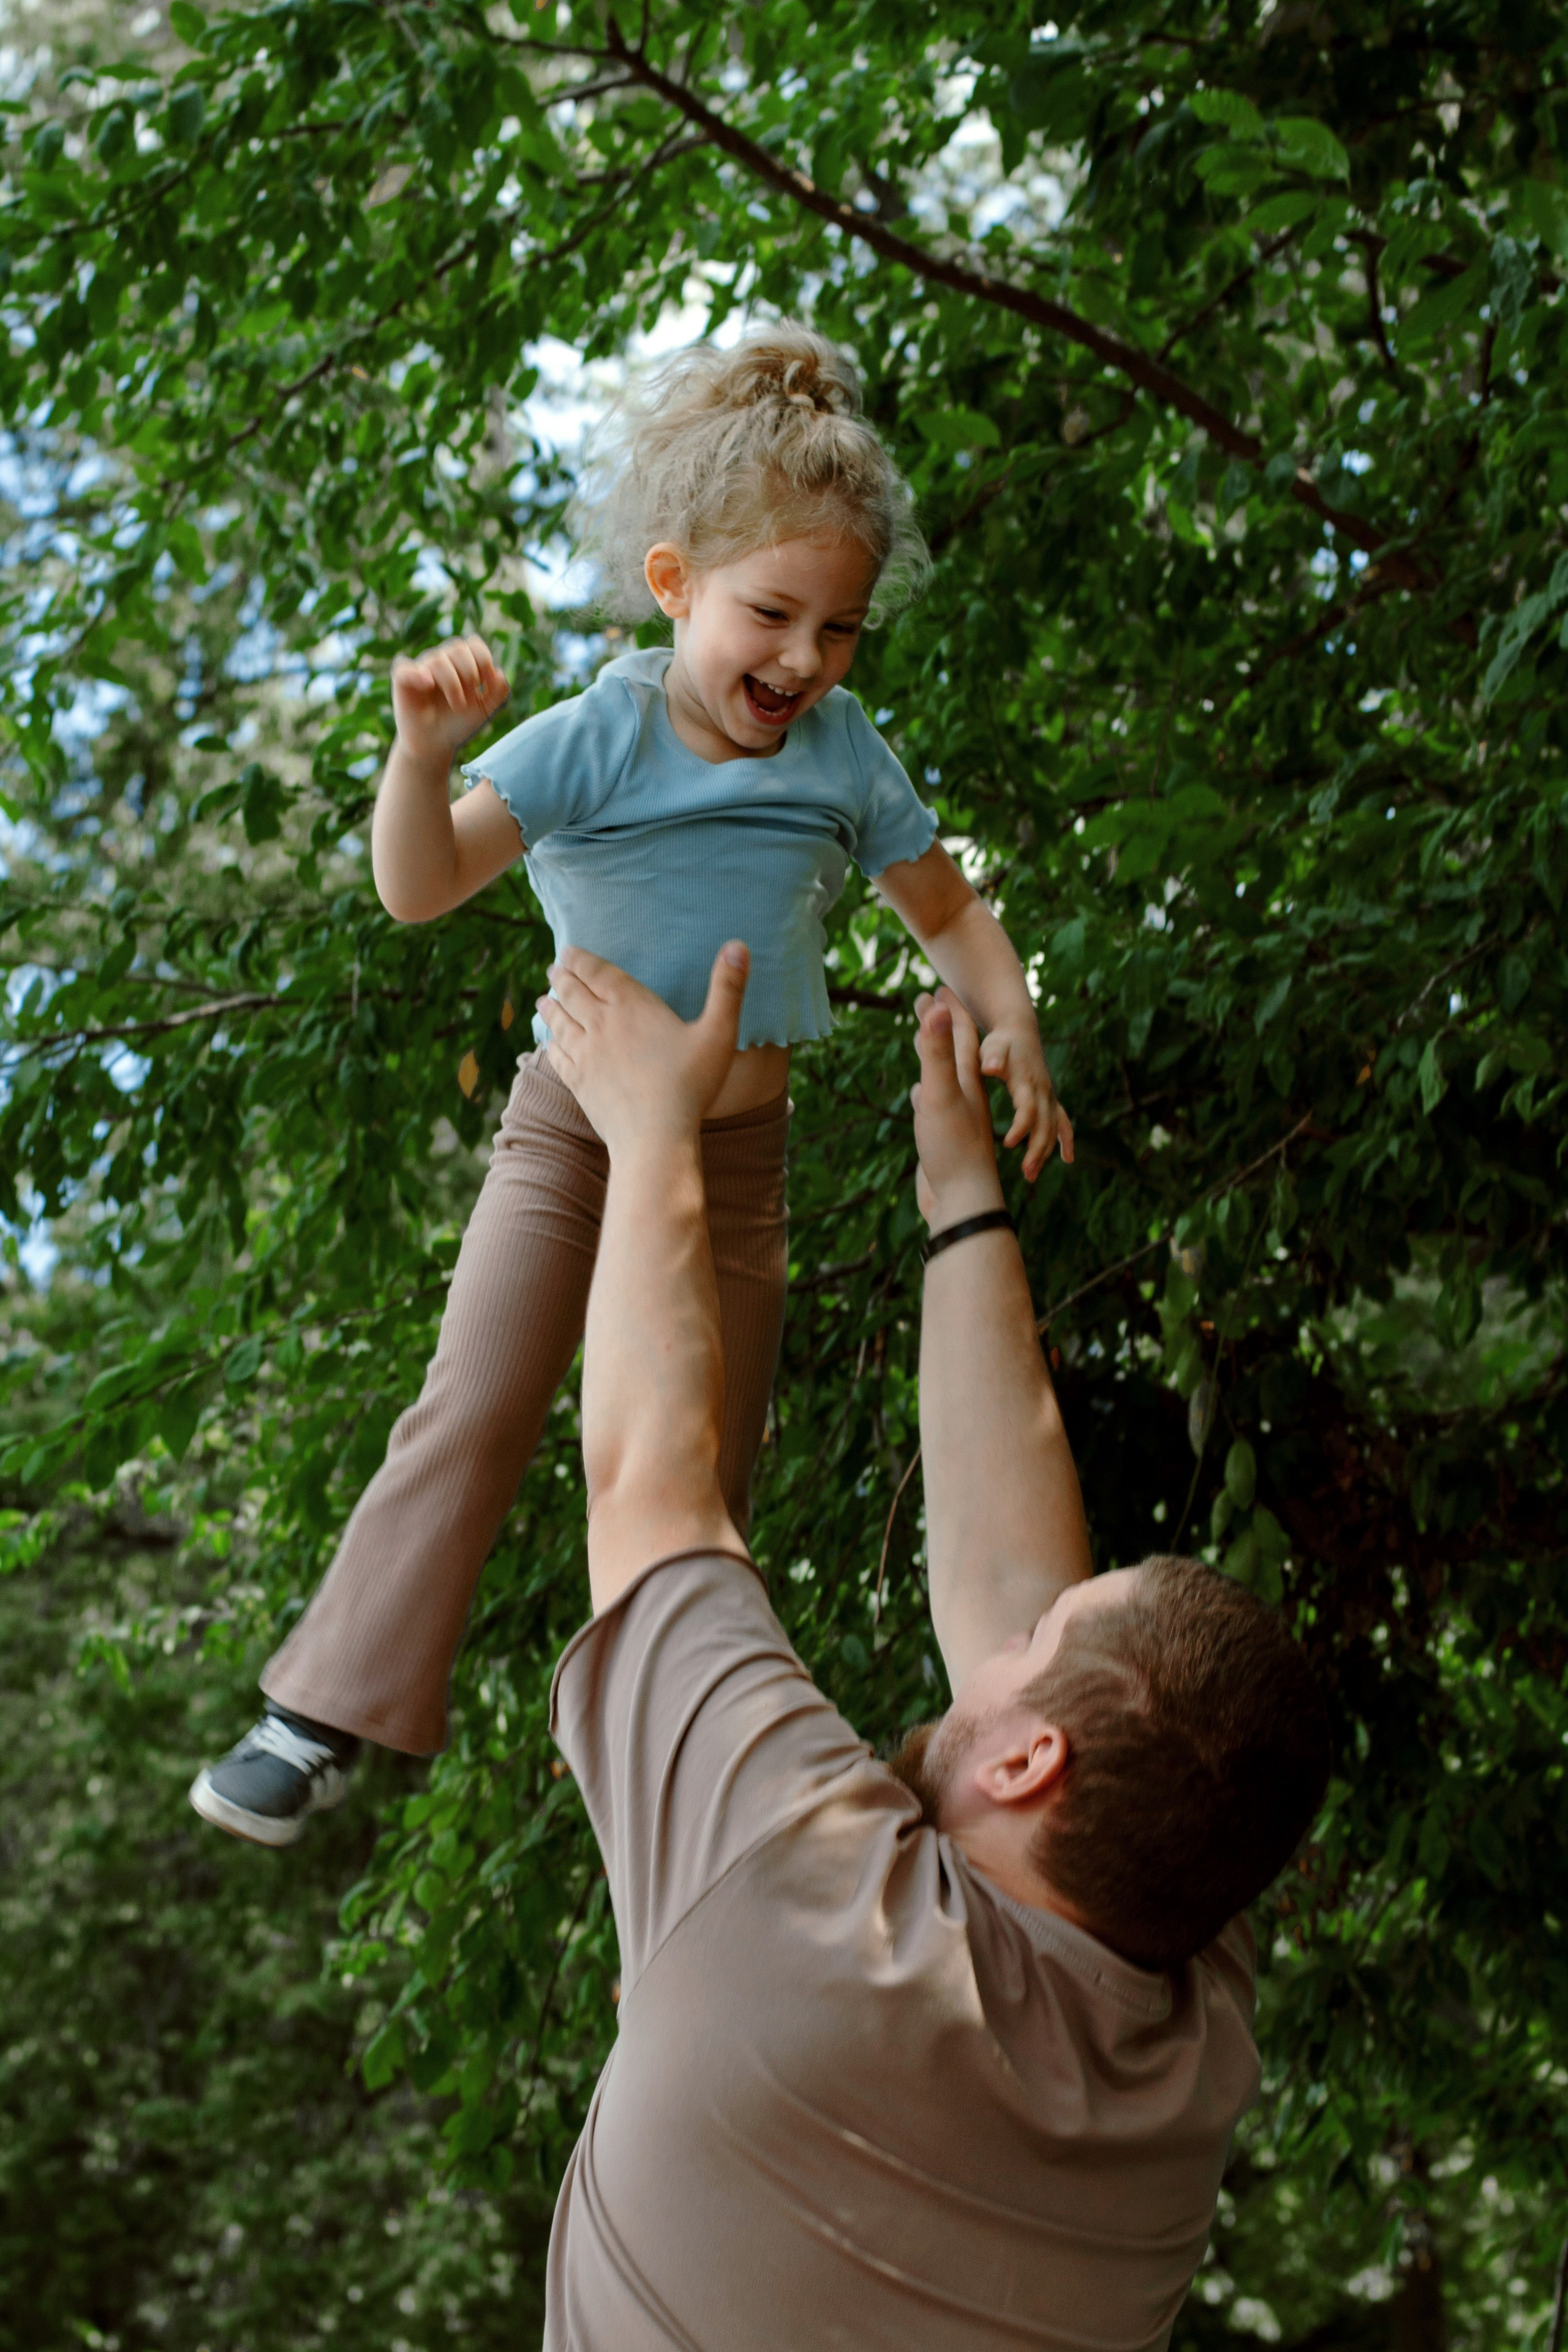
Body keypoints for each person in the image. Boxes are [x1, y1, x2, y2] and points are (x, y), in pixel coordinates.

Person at [190, 321, 1074, 1845]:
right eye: (771, 616)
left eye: (840, 631)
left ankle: (656, 1783)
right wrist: (419, 761)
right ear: (675, 587)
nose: (802, 661)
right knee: (476, 1399)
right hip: (572, 1141)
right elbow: (421, 885)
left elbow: (950, 913)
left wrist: (1011, 1024)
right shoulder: (598, 735)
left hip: (735, 1176)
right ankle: (318, 1707)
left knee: (700, 1480)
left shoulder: (843, 757)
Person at [536, 940, 1332, 2350]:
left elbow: (652, 1486)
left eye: (1042, 1639)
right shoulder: (1175, 2017)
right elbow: (1024, 1615)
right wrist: (962, 1202)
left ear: (1032, 1757)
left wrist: (649, 1117)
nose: (1019, 1626)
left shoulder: (812, 1918)